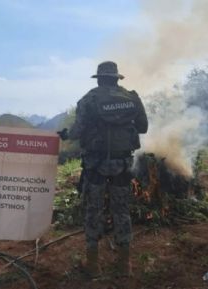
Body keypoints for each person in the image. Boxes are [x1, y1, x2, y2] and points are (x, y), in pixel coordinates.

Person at [58, 61, 148, 277]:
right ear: (117, 78)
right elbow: (143, 127)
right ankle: (124, 265)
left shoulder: (89, 99)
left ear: (99, 78)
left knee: (93, 210)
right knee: (121, 211)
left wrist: (65, 135)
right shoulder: (132, 98)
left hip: (95, 166)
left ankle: (93, 265)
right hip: (122, 165)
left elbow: (77, 132)